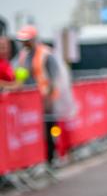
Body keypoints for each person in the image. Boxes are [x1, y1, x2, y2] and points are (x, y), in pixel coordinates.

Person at [13, 25, 76, 163]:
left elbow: (55, 77)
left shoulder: (46, 54)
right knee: (33, 131)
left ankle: (50, 157)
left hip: (47, 100)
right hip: (30, 101)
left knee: (50, 128)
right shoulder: (23, 56)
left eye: (27, 40)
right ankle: (36, 159)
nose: (24, 43)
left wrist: (50, 96)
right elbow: (19, 75)